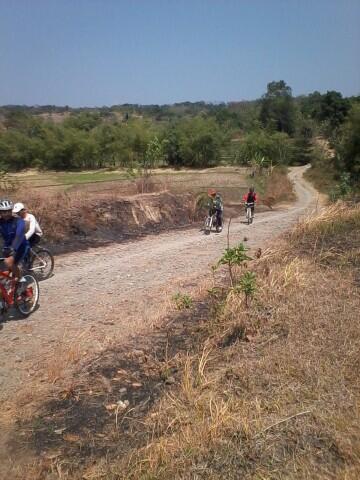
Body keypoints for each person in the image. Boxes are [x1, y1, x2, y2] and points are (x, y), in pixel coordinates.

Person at [0, 199, 28, 280]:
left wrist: (13, 248)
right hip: (7, 247)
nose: (6, 214)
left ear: (11, 211)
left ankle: (21, 281)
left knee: (9, 262)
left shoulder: (19, 221)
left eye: (8, 211)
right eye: (3, 212)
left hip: (20, 246)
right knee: (3, 274)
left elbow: (19, 236)